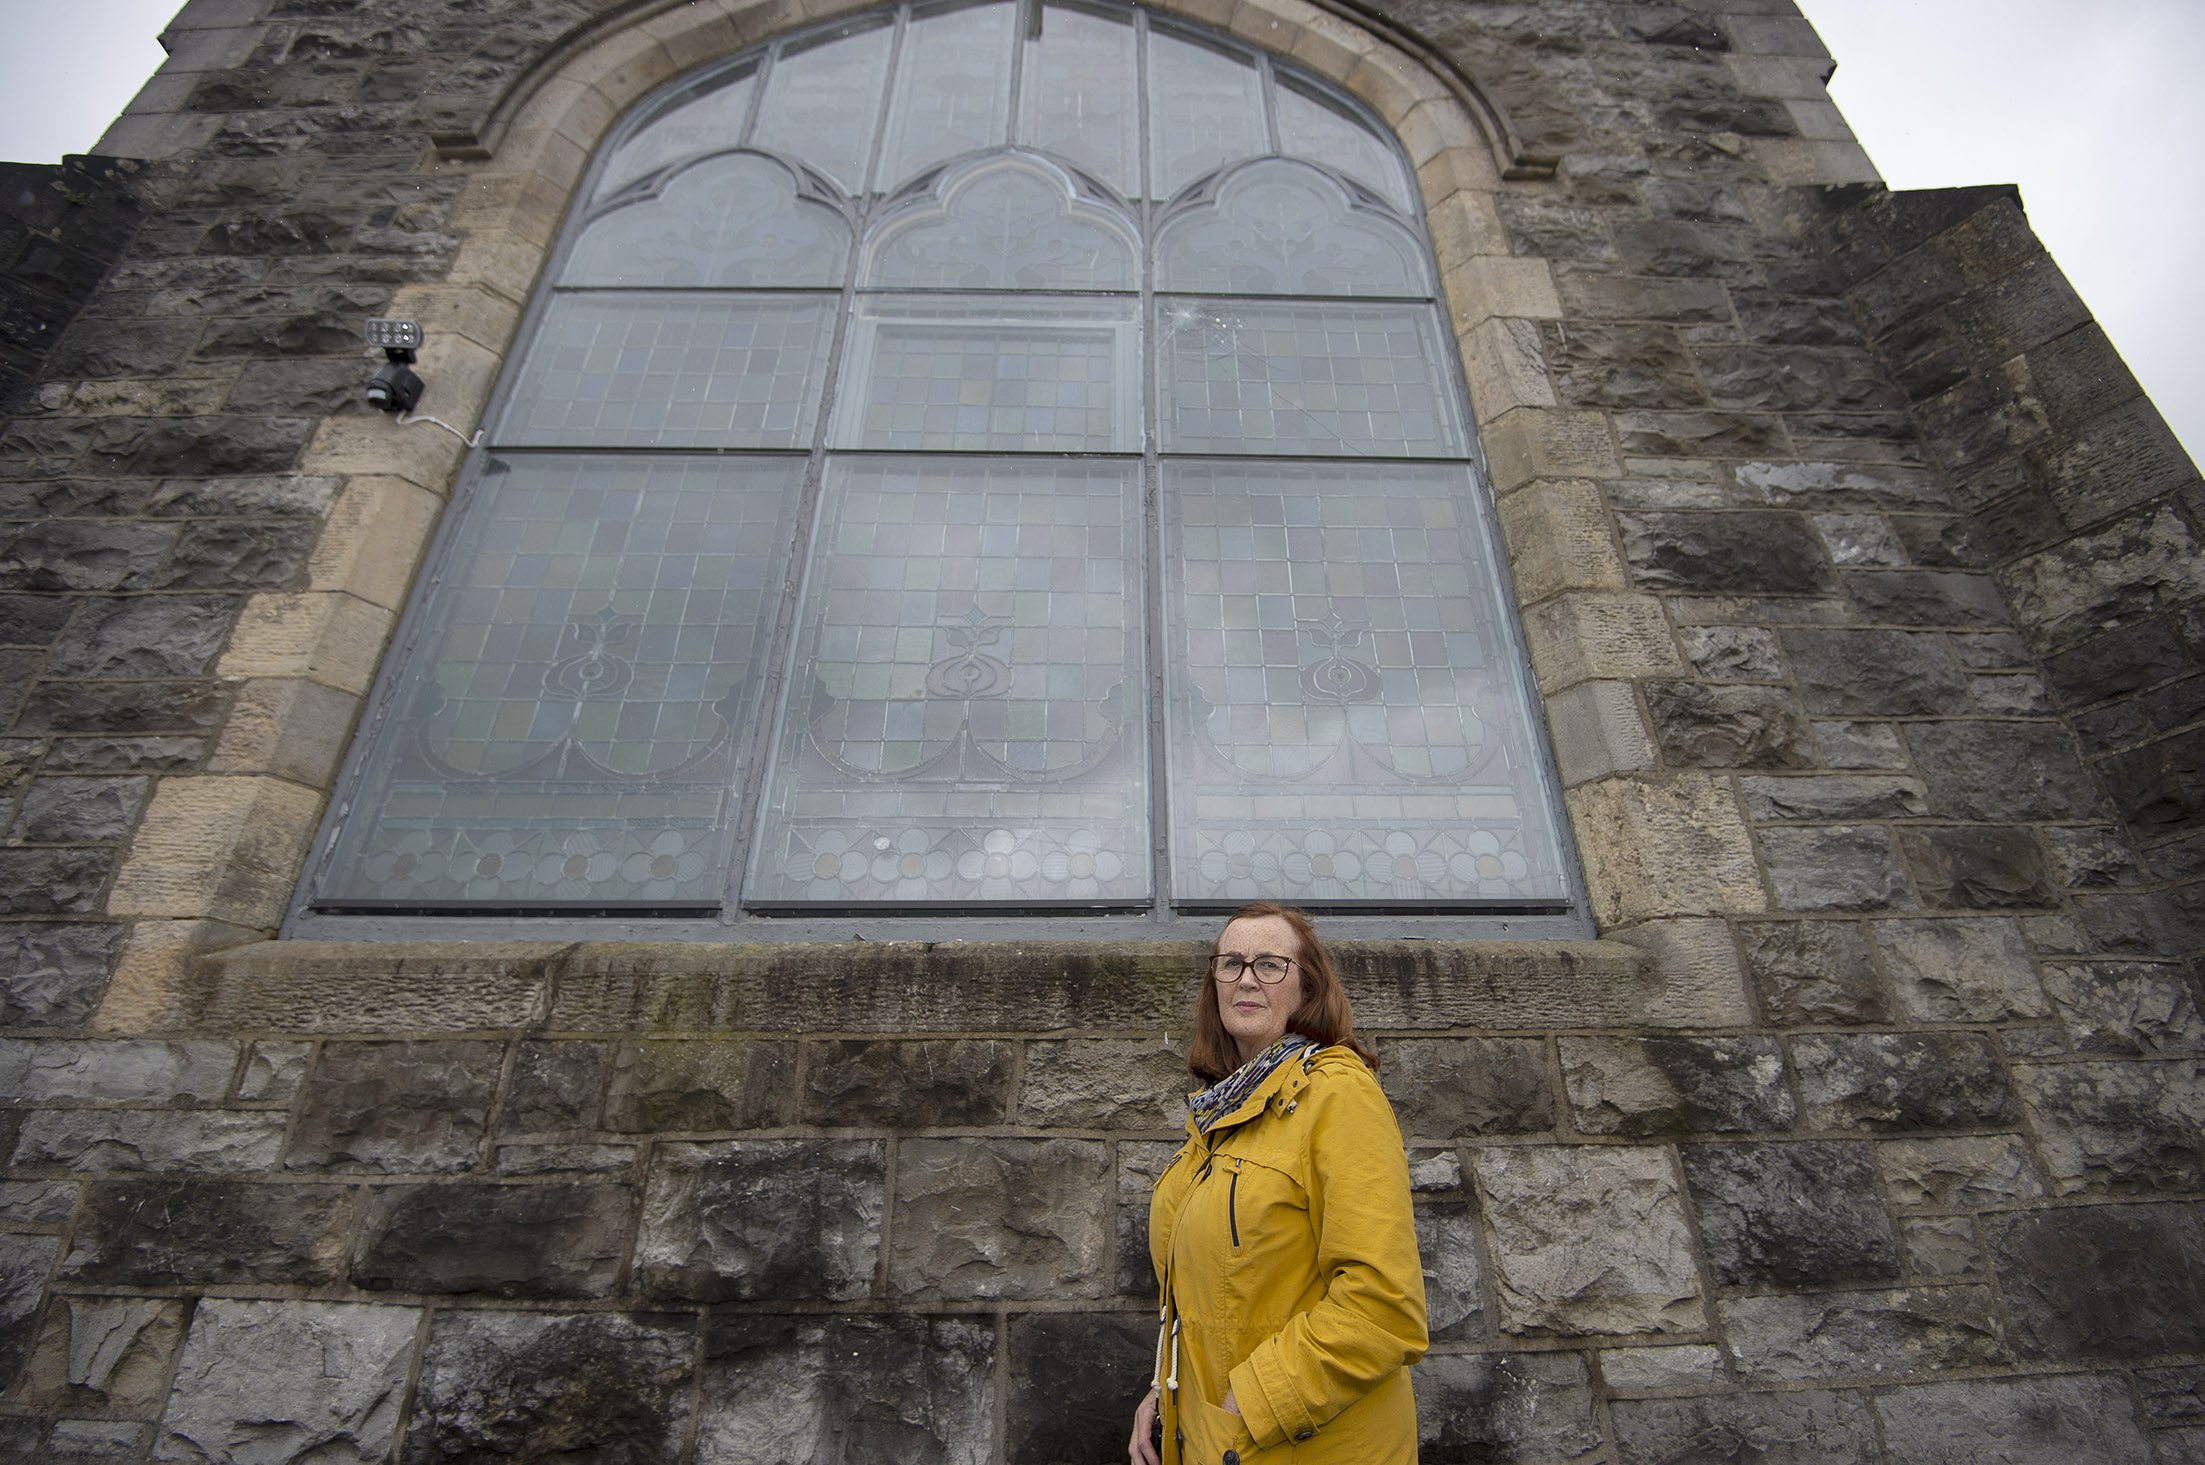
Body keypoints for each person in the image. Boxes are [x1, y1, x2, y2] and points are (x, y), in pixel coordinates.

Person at [1129, 901, 1427, 1465]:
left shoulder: (1337, 1095)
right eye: (1231, 963)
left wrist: (1250, 1402)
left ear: (1306, 989)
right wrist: (1166, 1390)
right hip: (1217, 1440)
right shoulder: (1217, 1118)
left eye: (1270, 965)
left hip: (1306, 1445)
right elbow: (1210, 1301)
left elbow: (1384, 1306)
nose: (1245, 979)